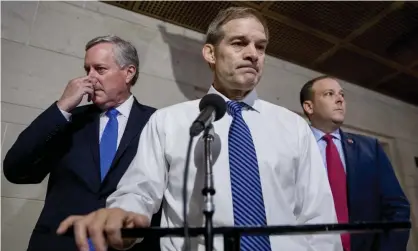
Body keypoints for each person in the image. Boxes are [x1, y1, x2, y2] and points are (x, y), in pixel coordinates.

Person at [57, 8, 342, 251]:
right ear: (210, 53)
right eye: (239, 43)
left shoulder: (293, 126)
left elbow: (317, 216)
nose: (253, 54)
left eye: (261, 46)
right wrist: (125, 215)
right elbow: (139, 192)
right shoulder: (168, 122)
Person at [3, 35, 160, 251]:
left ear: (128, 72)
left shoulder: (158, 123)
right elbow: (16, 169)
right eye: (87, 69)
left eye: (100, 69)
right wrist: (62, 106)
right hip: (59, 245)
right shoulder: (68, 120)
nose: (90, 78)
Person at [299, 75, 411, 251]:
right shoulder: (293, 148)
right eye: (329, 94)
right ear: (309, 106)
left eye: (342, 94)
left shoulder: (370, 148)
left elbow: (396, 207)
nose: (340, 99)